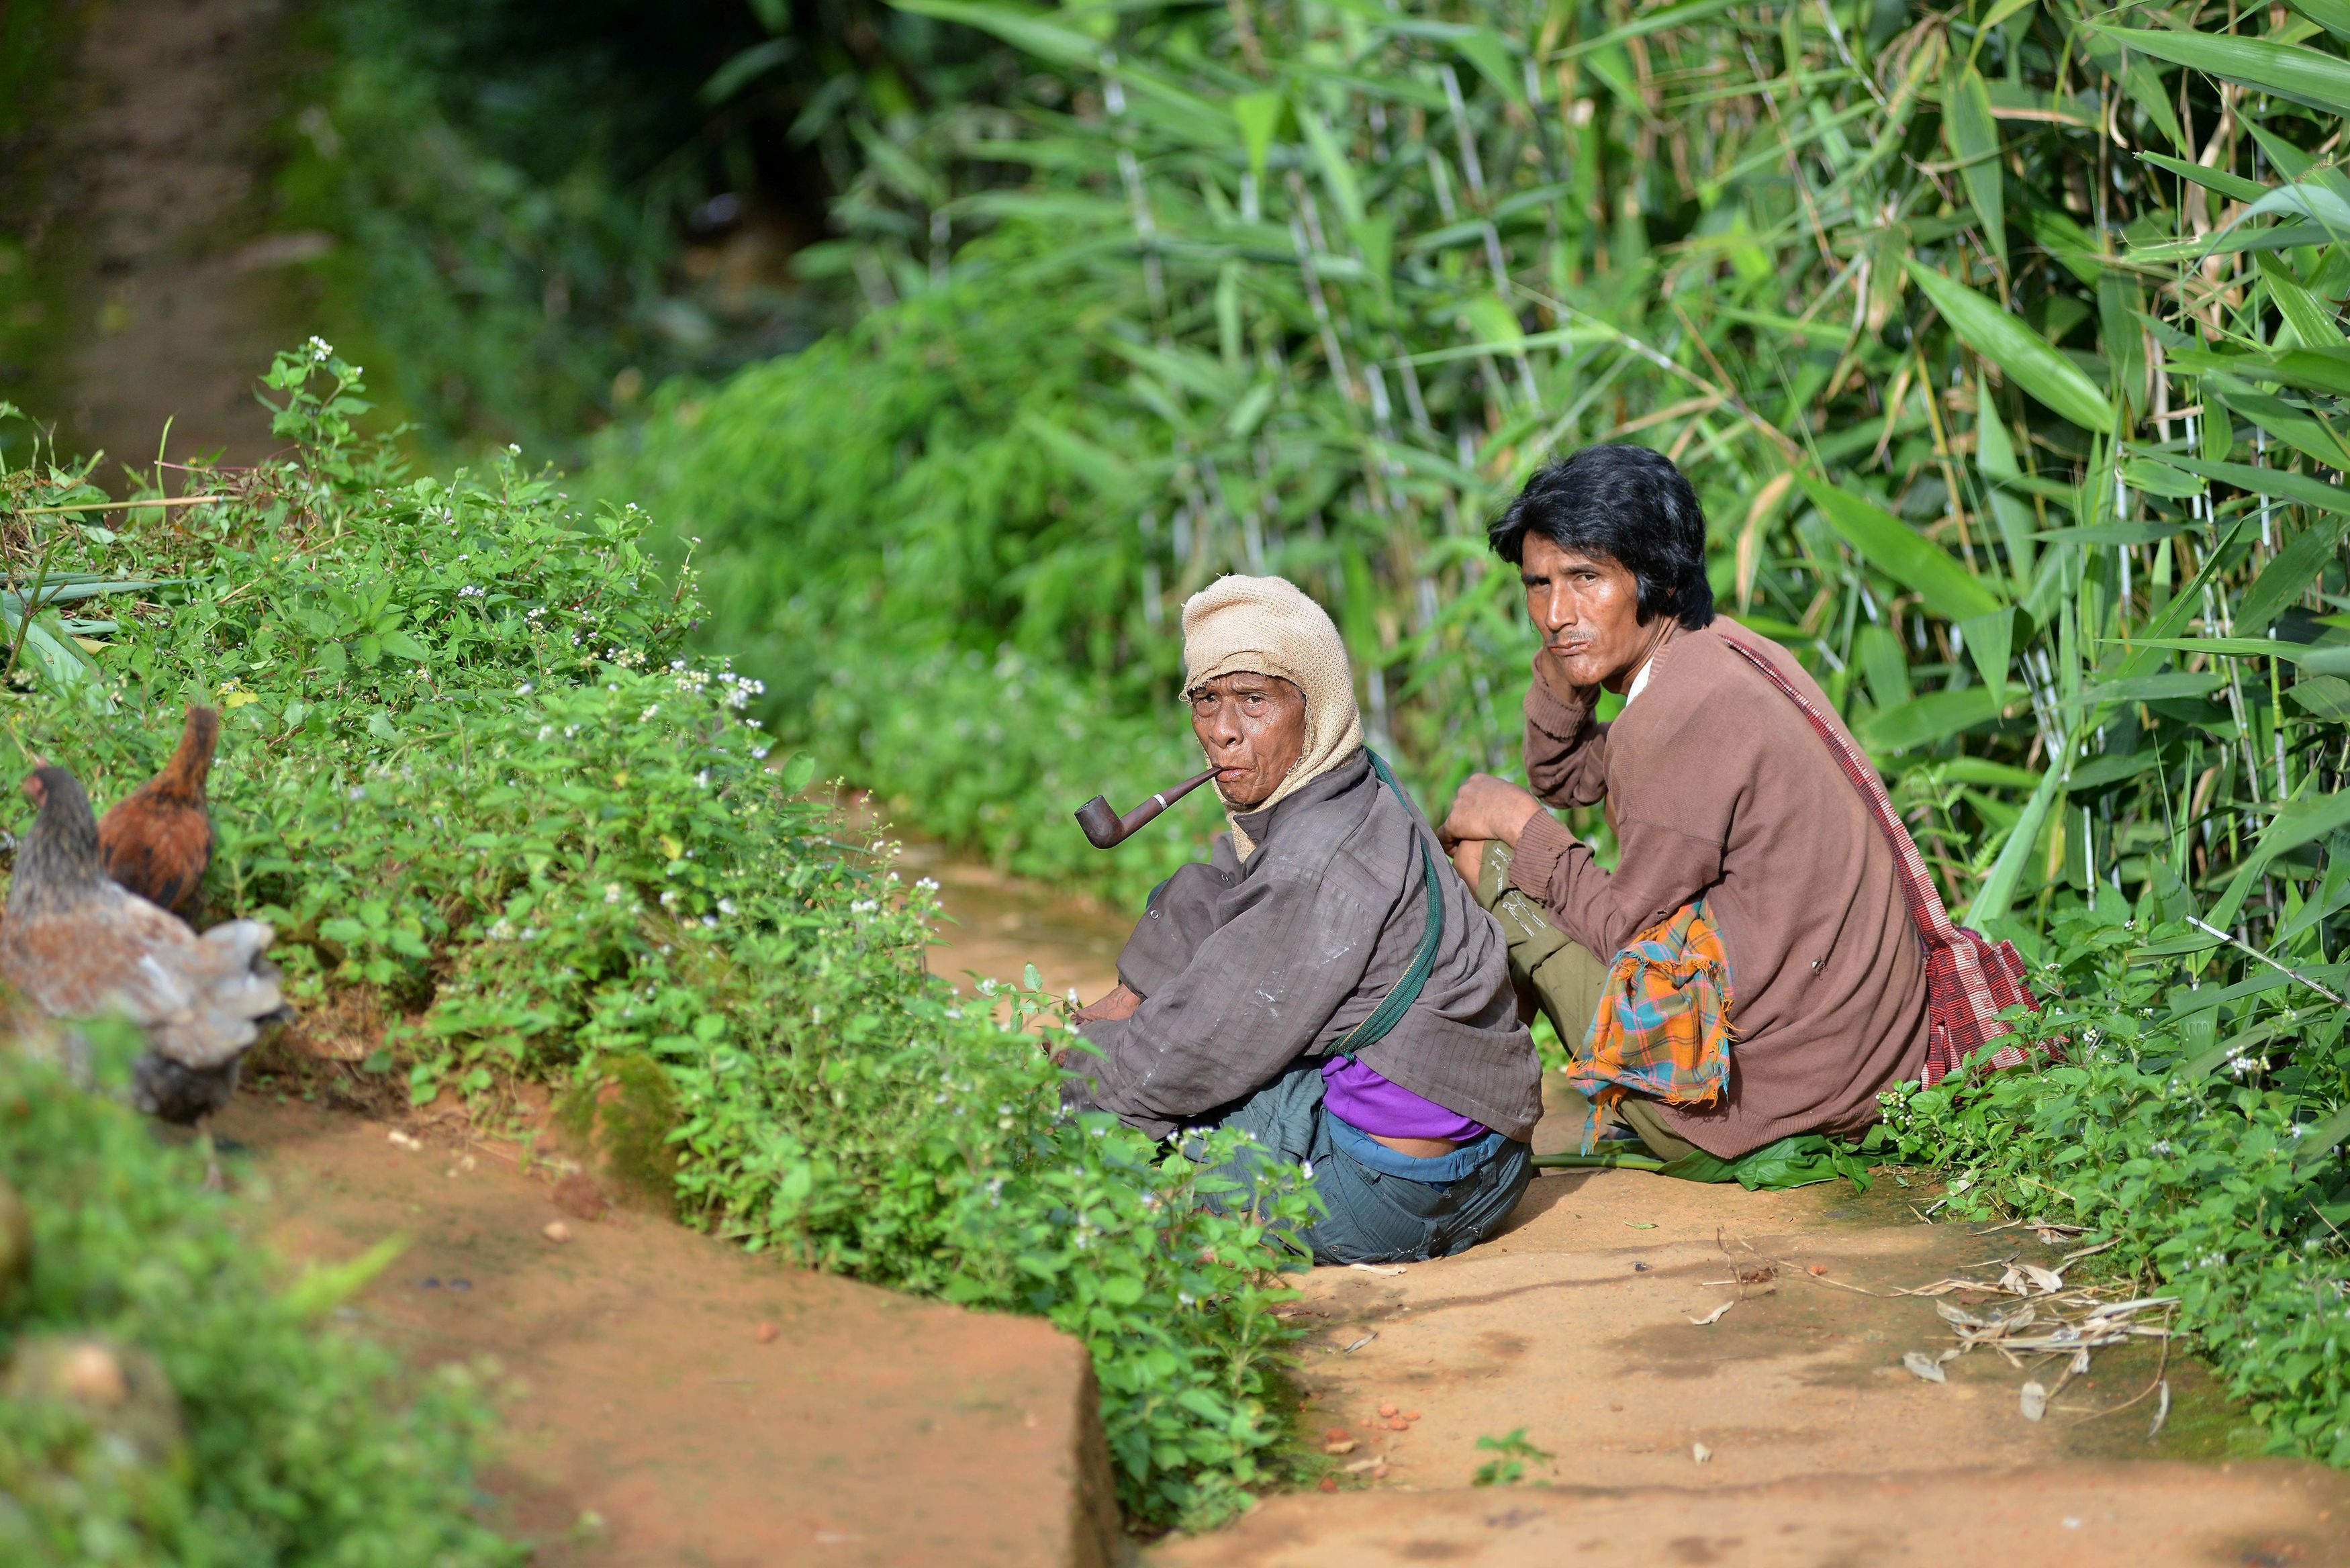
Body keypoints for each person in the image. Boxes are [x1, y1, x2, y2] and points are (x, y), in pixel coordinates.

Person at [1438, 444, 1928, 1165]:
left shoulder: (1676, 717)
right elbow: (1571, 777)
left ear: (1656, 576)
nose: (1553, 612)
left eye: (1584, 578)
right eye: (1536, 584)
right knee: (1513, 849)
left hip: (1761, 1101)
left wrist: (1514, 823)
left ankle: (1469, 1112)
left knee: (1482, 855)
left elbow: (1619, 929)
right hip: (1848, 1067)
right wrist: (1561, 677)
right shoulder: (1717, 653)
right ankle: (1493, 1092)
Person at [1062, 575, 1541, 1263]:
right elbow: (1218, 892)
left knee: (1157, 1127)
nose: (1223, 731)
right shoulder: (1360, 781)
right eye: (1206, 700)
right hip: (1496, 1152)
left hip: (1400, 1192)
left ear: (1314, 709)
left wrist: (1063, 1079)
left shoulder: (1314, 861)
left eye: (1254, 700)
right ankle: (1106, 1026)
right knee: (1194, 908)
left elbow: (1185, 1055)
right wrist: (1119, 1010)